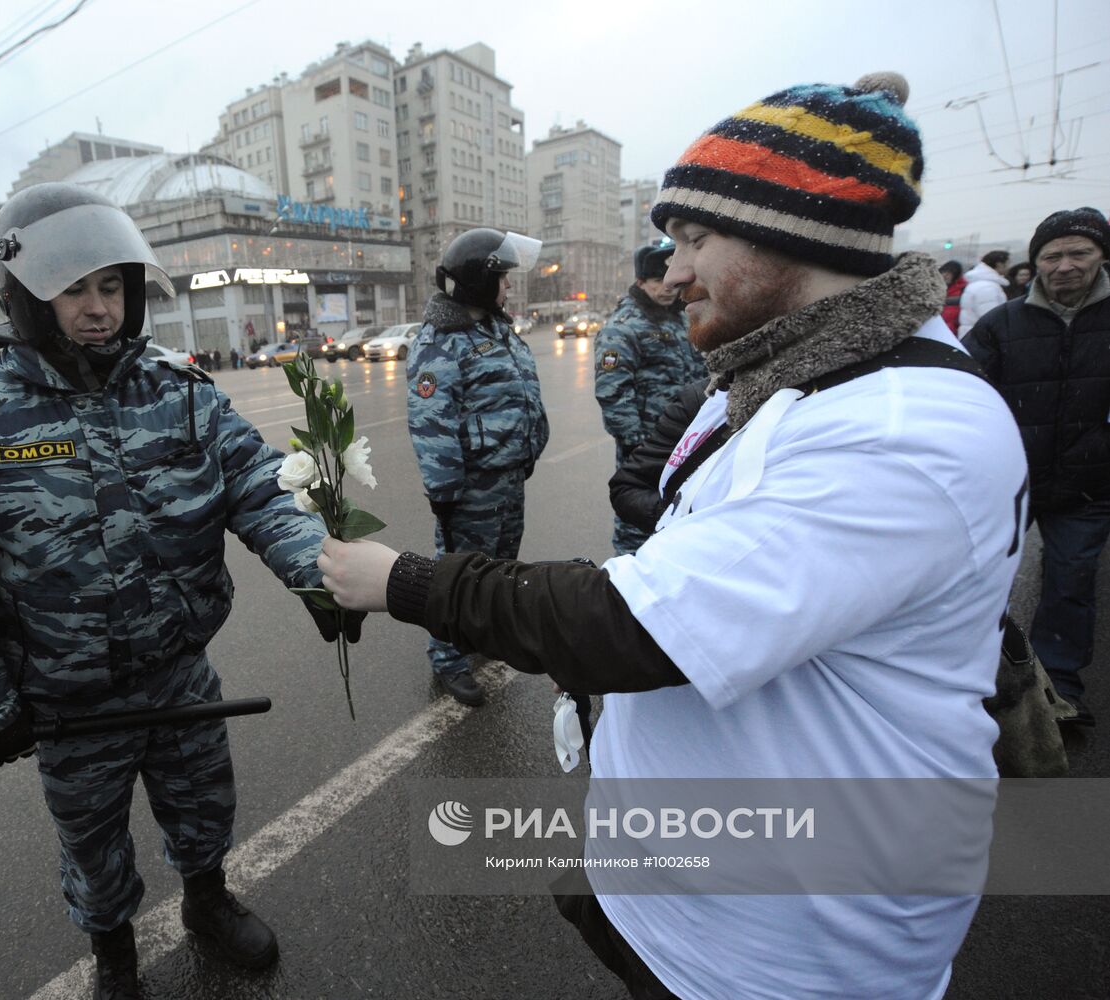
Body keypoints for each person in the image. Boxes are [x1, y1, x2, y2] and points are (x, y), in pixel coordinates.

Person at [319, 72, 1029, 1000]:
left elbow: (636, 628)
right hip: (695, 886)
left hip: (785, 947)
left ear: (793, 232)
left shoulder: (896, 427)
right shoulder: (789, 368)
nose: (672, 267)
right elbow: (678, 478)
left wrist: (405, 581)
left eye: (695, 238)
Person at [0, 183, 354, 999]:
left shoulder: (181, 392)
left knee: (203, 807)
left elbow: (261, 490)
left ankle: (206, 902)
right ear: (24, 294)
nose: (97, 309)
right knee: (93, 845)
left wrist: (320, 573)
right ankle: (114, 957)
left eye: (110, 287)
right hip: (64, 700)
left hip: (178, 673)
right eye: (74, 290)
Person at [964, 206, 1110, 727]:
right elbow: (961, 389)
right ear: (1035, 261)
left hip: (1091, 485)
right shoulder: (1003, 322)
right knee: (978, 578)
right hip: (1011, 482)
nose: (1064, 265)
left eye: (1079, 253)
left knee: (1071, 581)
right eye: (1052, 255)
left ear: (1101, 257)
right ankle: (978, 681)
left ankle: (1061, 690)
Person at [405, 226, 549, 706]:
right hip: (470, 488)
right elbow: (431, 420)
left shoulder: (492, 326)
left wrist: (526, 450)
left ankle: (484, 639)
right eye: (502, 278)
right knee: (457, 575)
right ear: (476, 280)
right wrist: (444, 492)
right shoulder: (440, 340)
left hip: (508, 477)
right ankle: (446, 657)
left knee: (500, 568)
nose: (508, 287)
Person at [593, 241, 705, 555]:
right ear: (641, 281)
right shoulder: (623, 328)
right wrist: (638, 445)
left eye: (667, 278)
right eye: (657, 281)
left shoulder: (679, 319)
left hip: (688, 441)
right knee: (637, 526)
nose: (666, 288)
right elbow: (613, 393)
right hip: (649, 446)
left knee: (677, 519)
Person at [958, 249, 1010, 335]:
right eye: (1008, 264)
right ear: (999, 265)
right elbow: (991, 318)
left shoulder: (981, 283)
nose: (1009, 267)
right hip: (981, 338)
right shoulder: (987, 288)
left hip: (973, 336)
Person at [939, 259, 966, 333]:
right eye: (944, 271)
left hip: (951, 331)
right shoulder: (932, 287)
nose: (945, 275)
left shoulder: (963, 289)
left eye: (950, 273)